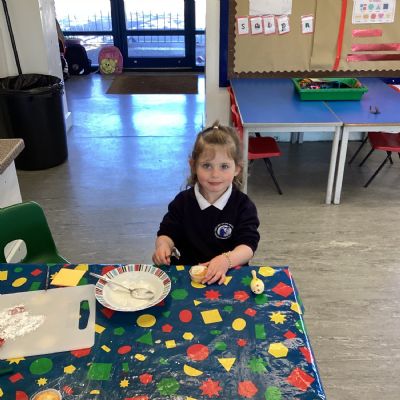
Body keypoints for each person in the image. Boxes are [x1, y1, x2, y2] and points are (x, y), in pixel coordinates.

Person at [152, 121, 260, 285]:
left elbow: (248, 246)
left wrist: (226, 260)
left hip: (229, 276)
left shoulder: (243, 206)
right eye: (207, 165)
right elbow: (167, 232)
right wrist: (163, 246)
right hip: (186, 277)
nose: (215, 174)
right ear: (193, 165)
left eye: (224, 166)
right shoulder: (182, 202)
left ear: (237, 168)